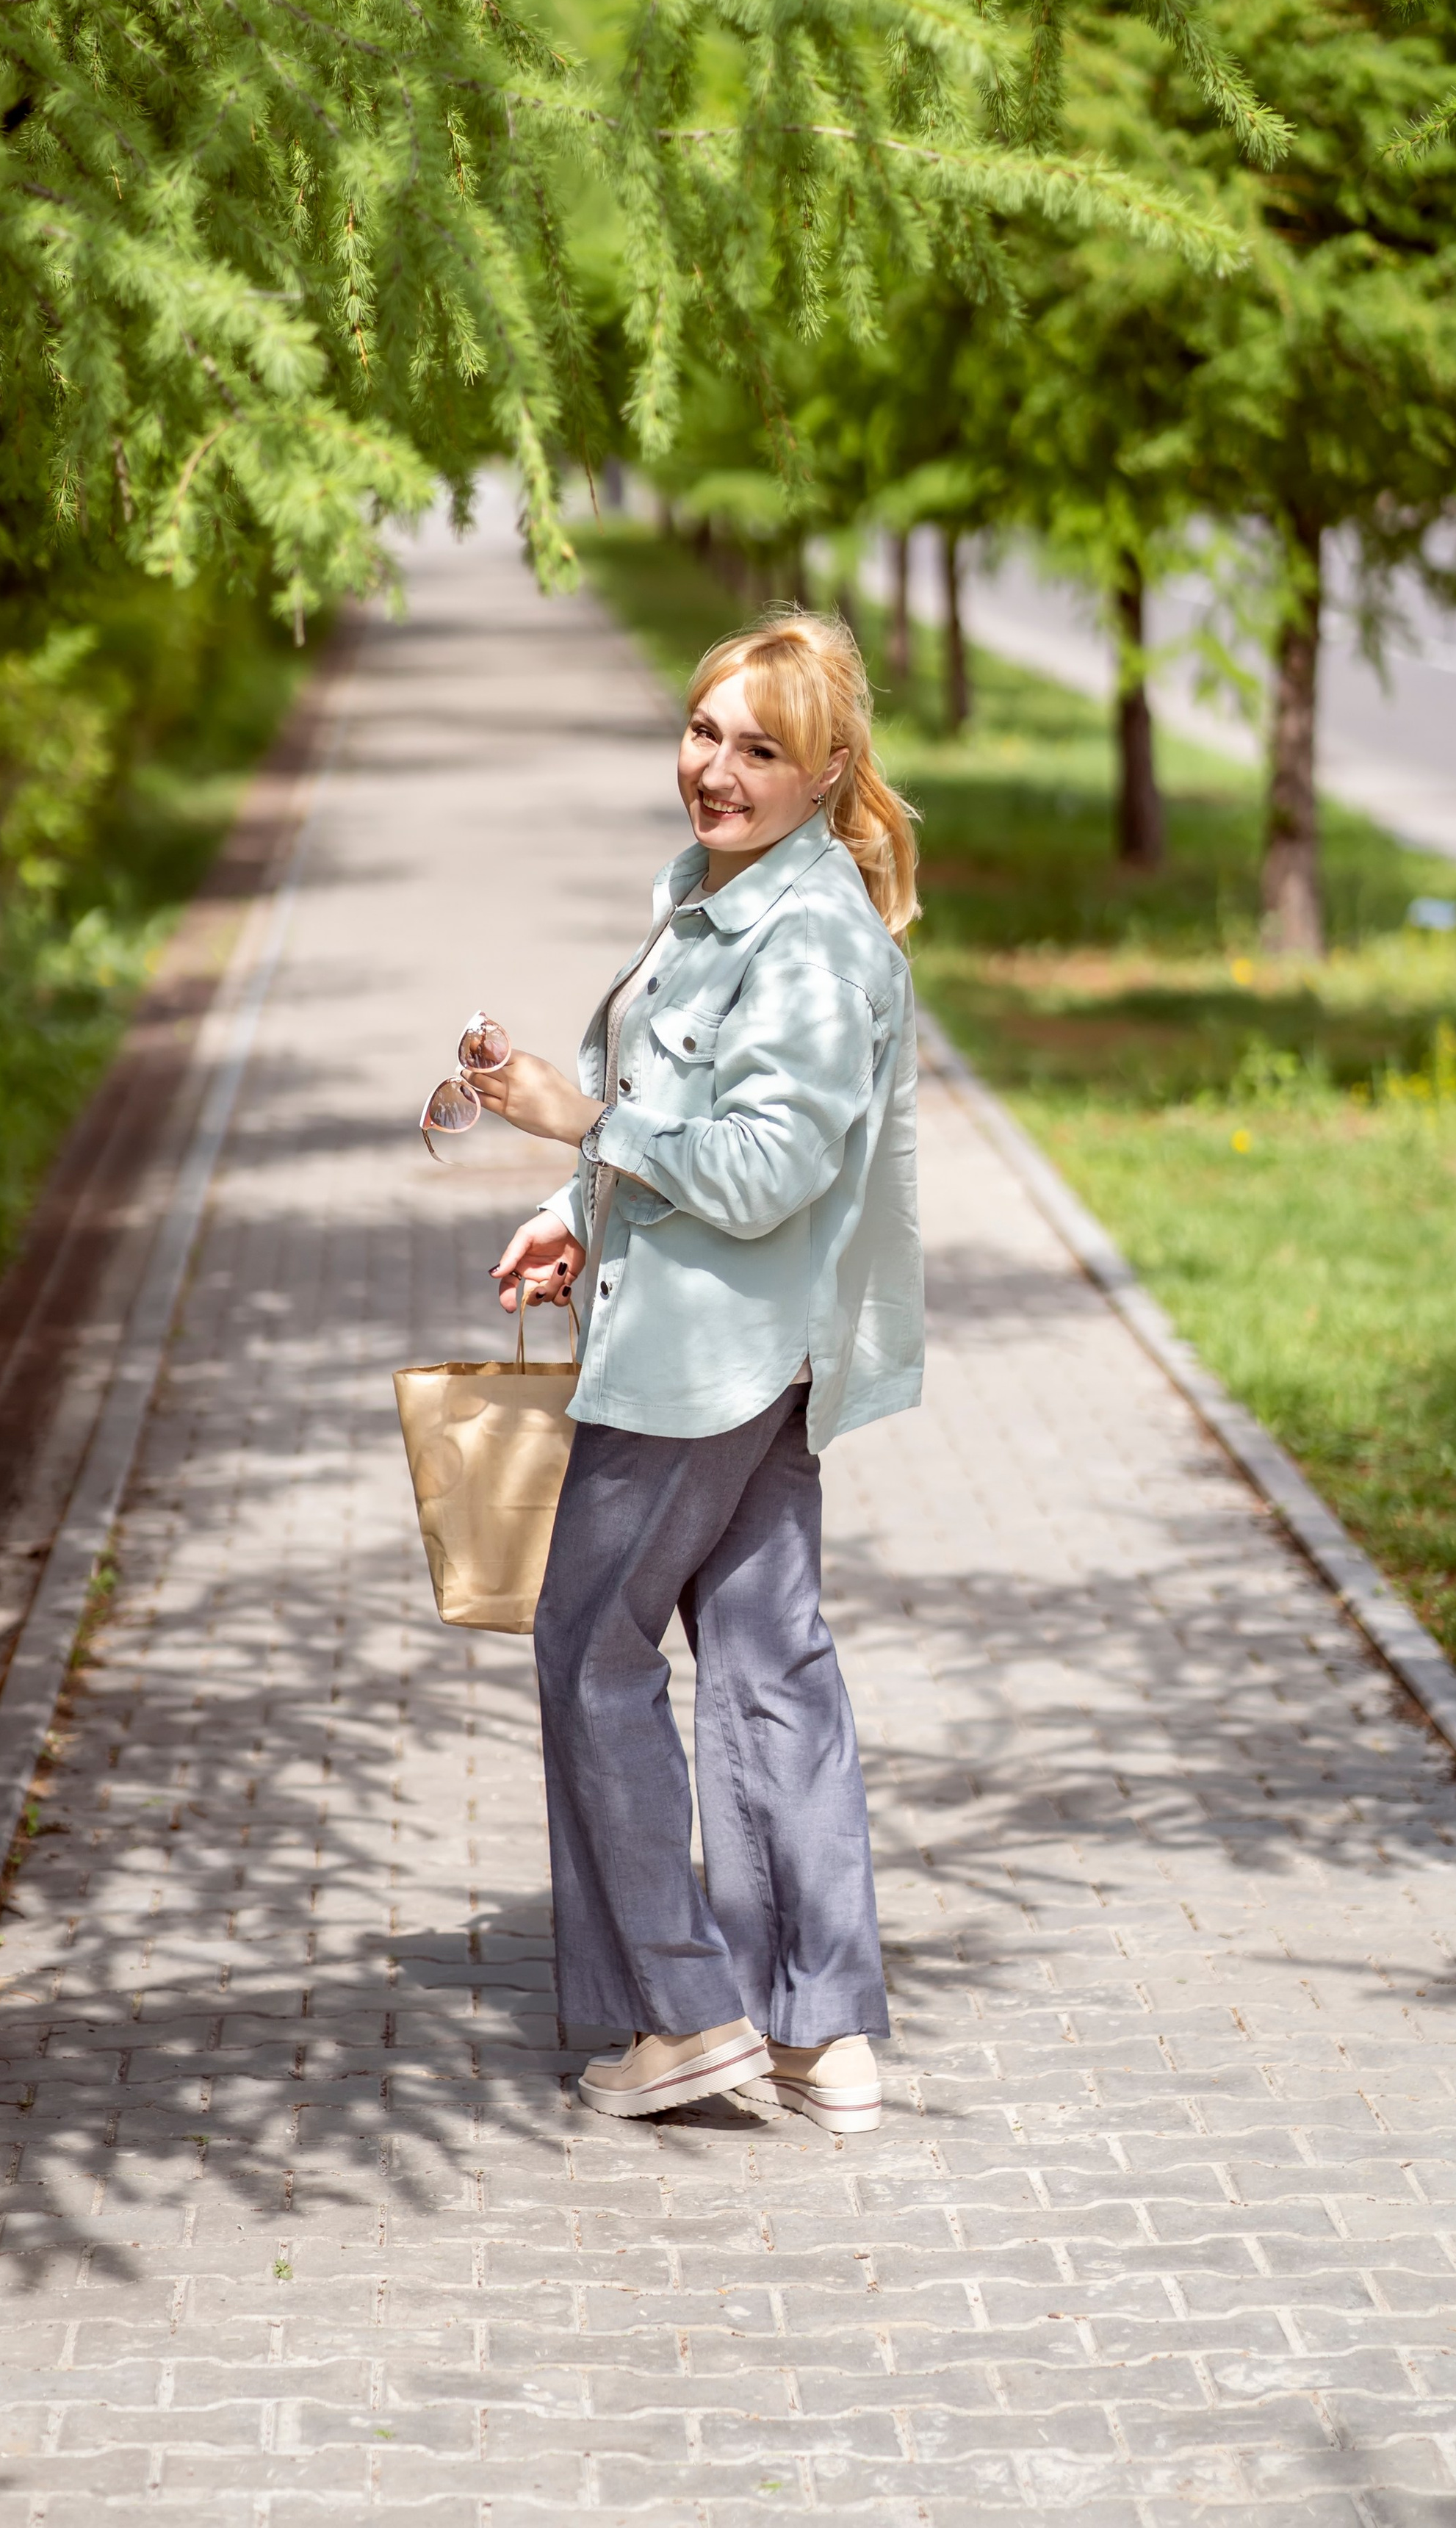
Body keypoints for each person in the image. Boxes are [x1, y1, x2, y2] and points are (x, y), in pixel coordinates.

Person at [468, 608, 923, 2131]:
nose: (713, 768)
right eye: (702, 729)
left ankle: (680, 2011)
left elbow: (760, 1164)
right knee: (765, 1661)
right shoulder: (717, 897)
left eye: (758, 746)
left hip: (700, 1362)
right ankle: (818, 2027)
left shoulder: (804, 937)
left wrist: (565, 1120)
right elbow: (673, 1107)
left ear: (824, 773)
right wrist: (566, 1217)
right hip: (735, 1343)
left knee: (585, 1650)